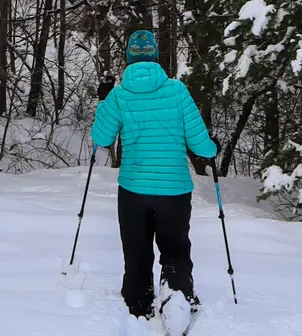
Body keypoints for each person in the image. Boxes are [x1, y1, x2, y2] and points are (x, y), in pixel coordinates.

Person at [91, 29, 218, 327]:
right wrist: (214, 146)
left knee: (136, 249)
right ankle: (177, 296)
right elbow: (201, 146)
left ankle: (138, 304)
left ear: (129, 58)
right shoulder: (176, 91)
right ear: (155, 57)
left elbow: (101, 137)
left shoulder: (120, 95)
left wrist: (103, 101)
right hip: (173, 191)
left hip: (133, 190)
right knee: (174, 248)